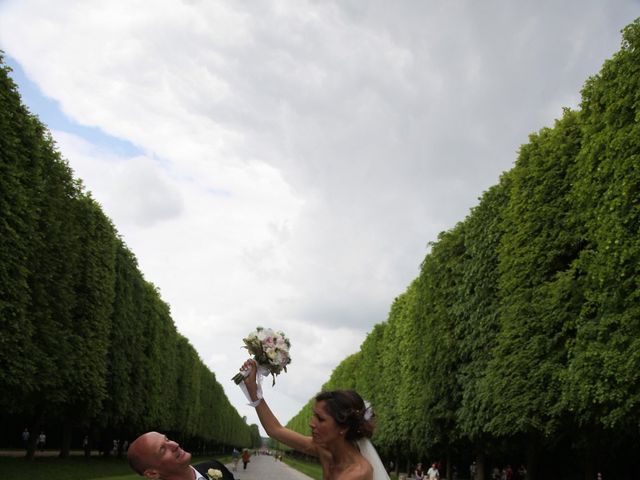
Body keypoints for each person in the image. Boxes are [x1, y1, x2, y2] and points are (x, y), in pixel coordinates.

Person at [239, 358, 389, 479]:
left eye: (320, 419)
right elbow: (275, 430)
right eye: (314, 416)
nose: (311, 423)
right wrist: (253, 389)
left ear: (343, 427)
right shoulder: (325, 448)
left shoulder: (359, 473)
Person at [127, 431, 234, 480]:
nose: (175, 445)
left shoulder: (215, 466)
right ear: (152, 473)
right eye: (162, 449)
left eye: (167, 439)